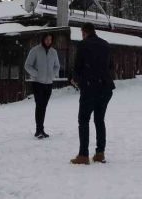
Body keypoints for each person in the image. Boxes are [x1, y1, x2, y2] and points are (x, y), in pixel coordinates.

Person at [70, 23, 115, 165]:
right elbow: (111, 66)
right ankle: (100, 153)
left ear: (84, 32)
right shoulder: (106, 45)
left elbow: (78, 66)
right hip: (106, 87)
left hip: (90, 87)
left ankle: (83, 155)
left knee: (83, 120)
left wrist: (75, 79)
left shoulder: (83, 45)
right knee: (99, 120)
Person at [24, 32, 61, 139]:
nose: (48, 41)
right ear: (43, 39)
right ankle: (38, 130)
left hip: (48, 84)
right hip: (37, 83)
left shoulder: (53, 52)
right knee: (39, 105)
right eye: (47, 39)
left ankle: (41, 129)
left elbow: (57, 66)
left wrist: (52, 75)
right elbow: (27, 65)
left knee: (43, 107)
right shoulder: (35, 50)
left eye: (50, 39)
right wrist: (36, 74)